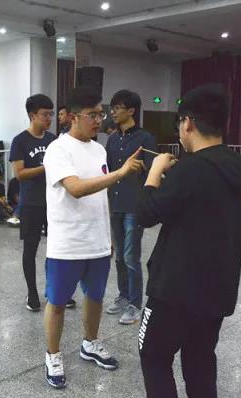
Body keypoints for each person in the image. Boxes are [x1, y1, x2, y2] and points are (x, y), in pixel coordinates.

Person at [136, 85, 241, 398]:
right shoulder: (239, 167)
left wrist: (154, 172)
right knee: (200, 364)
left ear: (188, 123)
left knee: (154, 357)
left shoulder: (189, 169)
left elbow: (145, 214)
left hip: (173, 291)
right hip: (216, 290)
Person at [41, 87, 145, 389]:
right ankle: (53, 354)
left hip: (97, 242)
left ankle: (90, 343)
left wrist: (106, 234)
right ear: (74, 117)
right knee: (57, 302)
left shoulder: (99, 150)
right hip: (67, 243)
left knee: (96, 297)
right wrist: (121, 173)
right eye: (93, 115)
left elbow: (101, 194)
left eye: (101, 114)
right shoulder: (58, 149)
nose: (100, 120)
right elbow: (75, 188)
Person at [10, 94, 75, 312]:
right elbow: (19, 173)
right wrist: (46, 167)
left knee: (57, 248)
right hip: (31, 203)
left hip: (54, 201)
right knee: (31, 248)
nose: (49, 118)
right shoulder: (20, 141)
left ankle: (56, 291)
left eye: (51, 114)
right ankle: (32, 293)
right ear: (32, 115)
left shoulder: (54, 140)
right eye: (45, 114)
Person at [105, 90, 158, 325]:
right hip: (115, 202)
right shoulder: (112, 139)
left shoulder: (145, 138)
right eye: (112, 108)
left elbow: (153, 172)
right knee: (118, 256)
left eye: (117, 108)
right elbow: (108, 171)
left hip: (134, 204)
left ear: (131, 111)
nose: (113, 112)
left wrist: (143, 169)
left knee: (130, 256)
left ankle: (135, 304)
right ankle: (123, 295)